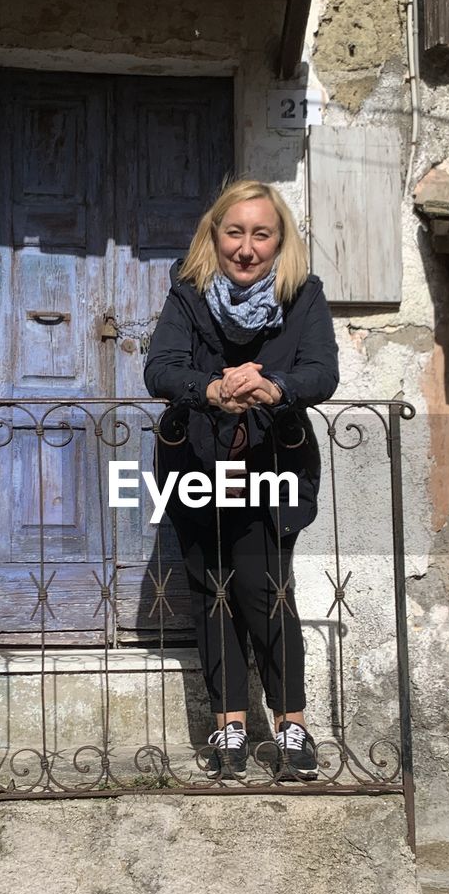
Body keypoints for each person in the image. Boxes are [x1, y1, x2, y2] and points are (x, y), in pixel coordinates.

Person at [143, 179, 339, 780]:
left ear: (280, 240)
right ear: (215, 235)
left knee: (266, 589)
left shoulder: (303, 295)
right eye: (235, 232)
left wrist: (272, 387)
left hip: (273, 461)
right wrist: (210, 388)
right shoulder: (189, 292)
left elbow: (321, 372)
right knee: (212, 592)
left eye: (261, 233)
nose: (246, 247)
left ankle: (291, 725)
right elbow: (161, 368)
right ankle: (229, 726)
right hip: (197, 462)